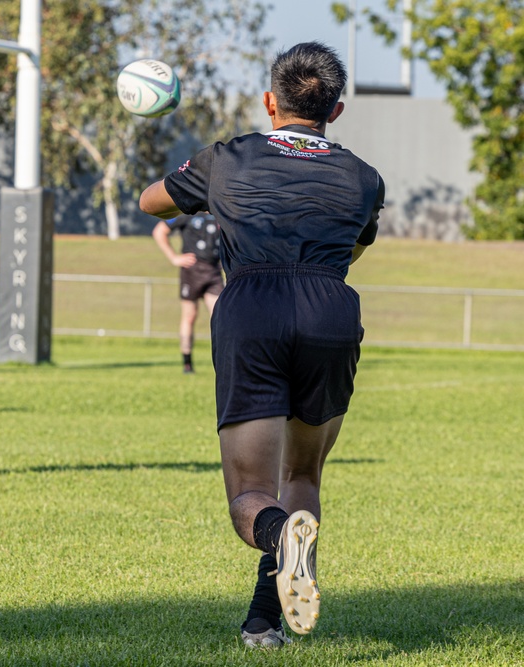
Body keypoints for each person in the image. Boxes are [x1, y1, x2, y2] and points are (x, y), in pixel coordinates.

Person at [139, 42, 384, 647]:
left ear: (270, 100)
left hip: (252, 308)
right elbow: (353, 249)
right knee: (304, 474)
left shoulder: (230, 157)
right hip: (331, 309)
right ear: (337, 108)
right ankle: (263, 620)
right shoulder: (364, 176)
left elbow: (152, 202)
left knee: (251, 496)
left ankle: (279, 539)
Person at [151, 212, 223, 373]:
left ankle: (223, 361)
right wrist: (174, 257)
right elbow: (159, 231)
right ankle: (187, 363)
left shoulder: (219, 208)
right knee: (190, 316)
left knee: (220, 317)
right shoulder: (187, 212)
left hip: (214, 271)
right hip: (192, 270)